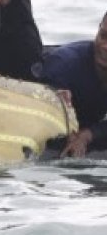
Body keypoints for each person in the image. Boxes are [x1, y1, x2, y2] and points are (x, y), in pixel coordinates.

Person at [35, 12, 107, 158]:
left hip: (88, 131)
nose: (105, 46)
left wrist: (87, 135)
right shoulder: (64, 65)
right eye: (103, 35)